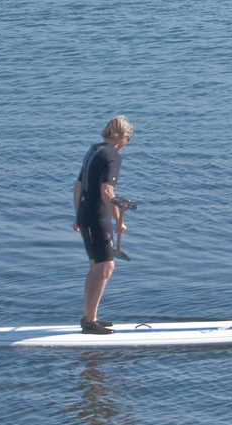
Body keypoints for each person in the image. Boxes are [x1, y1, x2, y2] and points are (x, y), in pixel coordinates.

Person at [73, 115, 133, 334]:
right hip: (97, 217)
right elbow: (107, 192)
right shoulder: (112, 156)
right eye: (129, 138)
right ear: (123, 137)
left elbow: (78, 186)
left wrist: (78, 215)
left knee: (96, 266)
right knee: (106, 267)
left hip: (86, 214)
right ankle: (89, 322)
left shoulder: (94, 150)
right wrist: (118, 220)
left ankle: (90, 317)